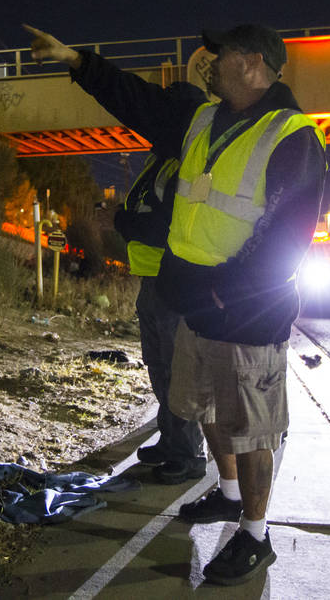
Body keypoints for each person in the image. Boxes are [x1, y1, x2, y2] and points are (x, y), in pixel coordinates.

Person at [25, 23, 326, 586]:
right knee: (207, 410)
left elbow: (288, 235)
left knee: (252, 431)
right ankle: (229, 495)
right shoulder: (204, 120)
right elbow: (137, 101)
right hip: (197, 305)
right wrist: (77, 60)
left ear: (254, 62)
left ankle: (255, 537)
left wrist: (222, 291)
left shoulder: (292, 134)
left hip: (249, 313)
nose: (209, 62)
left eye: (222, 53)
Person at [114, 147, 207, 484]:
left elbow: (164, 224)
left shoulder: (181, 164)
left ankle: (189, 455)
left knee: (178, 372)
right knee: (157, 366)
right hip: (151, 278)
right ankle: (170, 443)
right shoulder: (159, 162)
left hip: (172, 280)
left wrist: (121, 221)